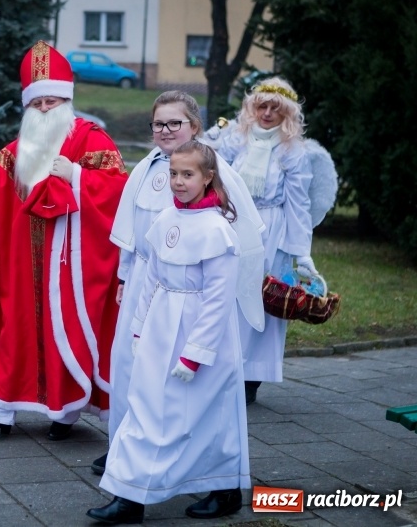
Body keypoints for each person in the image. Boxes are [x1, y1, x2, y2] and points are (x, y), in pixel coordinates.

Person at [91, 90, 265, 475]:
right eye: (159, 123)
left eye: (175, 123)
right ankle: (124, 445)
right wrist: (123, 277)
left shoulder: (213, 169)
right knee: (129, 367)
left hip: (195, 291)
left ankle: (208, 469)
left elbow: (238, 237)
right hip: (144, 279)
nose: (166, 130)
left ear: (195, 126)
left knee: (185, 382)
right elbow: (133, 232)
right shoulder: (146, 168)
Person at [0, 40, 128, 440]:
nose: (43, 110)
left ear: (66, 100)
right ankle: (1, 411)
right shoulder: (17, 150)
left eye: (51, 102)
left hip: (72, 262)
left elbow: (118, 192)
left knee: (66, 329)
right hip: (22, 261)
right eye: (36, 104)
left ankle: (65, 413)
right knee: (14, 327)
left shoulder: (93, 140)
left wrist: (77, 177)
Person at [216, 77, 315, 404]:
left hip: (271, 230)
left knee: (262, 300)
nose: (268, 113)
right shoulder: (234, 139)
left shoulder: (292, 151)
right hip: (232, 223)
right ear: (252, 107)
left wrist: (301, 253)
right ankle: (222, 369)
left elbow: (298, 204)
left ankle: (252, 377)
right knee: (227, 295)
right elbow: (216, 180)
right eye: (262, 106)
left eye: (276, 108)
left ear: (286, 112)